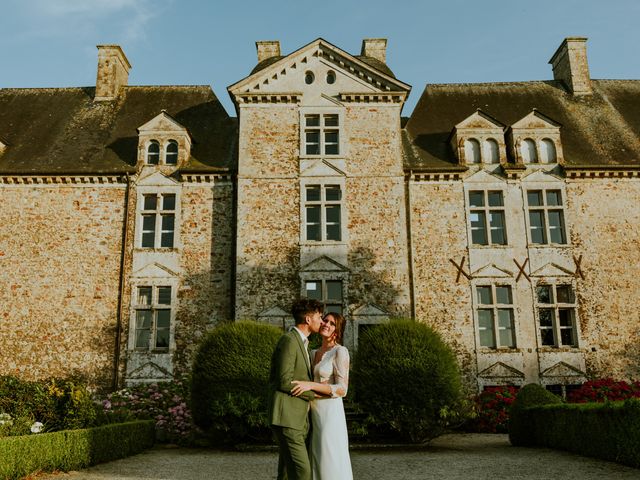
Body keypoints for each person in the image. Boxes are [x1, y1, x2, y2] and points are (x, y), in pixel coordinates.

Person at [291, 312, 353, 480]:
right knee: (314, 457)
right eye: (325, 320)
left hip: (330, 413)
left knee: (329, 458)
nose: (326, 324)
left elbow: (342, 389)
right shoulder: (312, 352)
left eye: (332, 324)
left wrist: (310, 385)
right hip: (312, 411)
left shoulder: (340, 351)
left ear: (337, 330)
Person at [268, 298, 324, 480]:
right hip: (288, 418)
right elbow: (284, 380)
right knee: (303, 472)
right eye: (320, 317)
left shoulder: (303, 344)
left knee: (285, 473)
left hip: (298, 418)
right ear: (308, 319)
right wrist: (315, 393)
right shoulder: (289, 340)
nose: (322, 322)